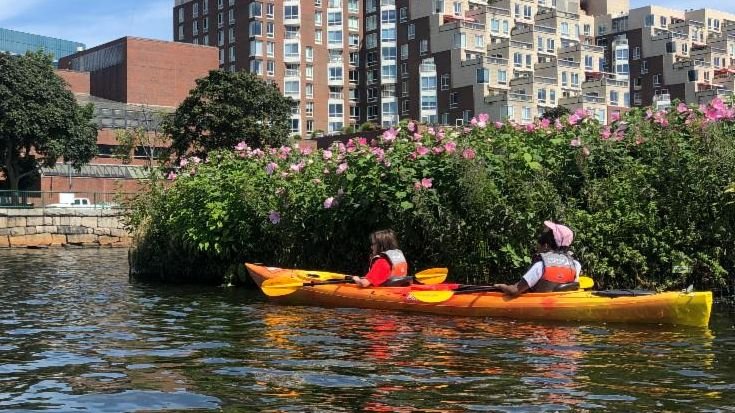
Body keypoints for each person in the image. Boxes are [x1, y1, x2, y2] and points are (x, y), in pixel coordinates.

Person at [494, 221, 581, 296]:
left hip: (542, 306)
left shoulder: (540, 266)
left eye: (539, 244)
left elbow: (514, 291)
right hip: (563, 303)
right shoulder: (575, 264)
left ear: (546, 246)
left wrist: (501, 286)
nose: (537, 247)